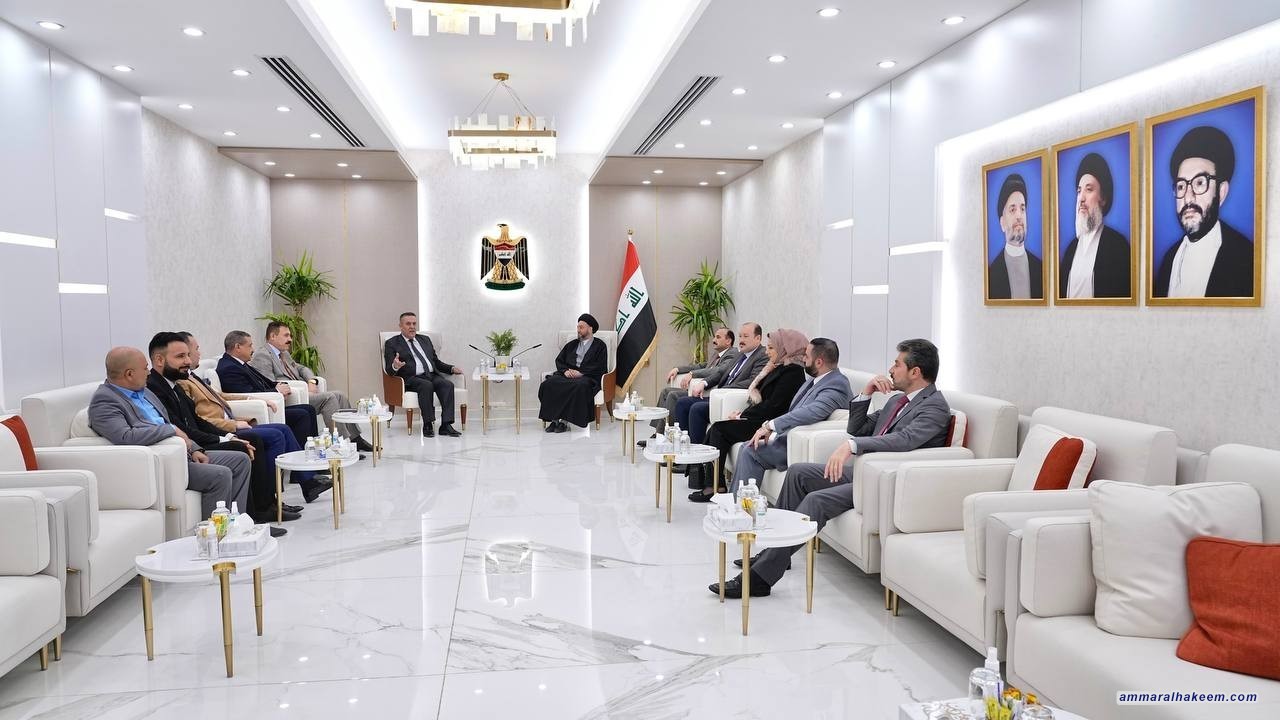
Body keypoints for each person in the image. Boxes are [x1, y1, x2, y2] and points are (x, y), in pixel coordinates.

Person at [712, 338, 951, 599]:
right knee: (798, 472)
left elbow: (905, 440)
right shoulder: (897, 401)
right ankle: (775, 550)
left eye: (897, 364)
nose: (891, 370)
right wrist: (866, 393)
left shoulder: (935, 407)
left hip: (887, 480)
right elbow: (857, 428)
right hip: (863, 472)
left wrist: (852, 446)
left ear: (915, 372)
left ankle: (760, 578)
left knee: (816, 500)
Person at [143, 333, 286, 535]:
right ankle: (249, 519)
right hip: (187, 447)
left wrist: (228, 436)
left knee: (244, 443)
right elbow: (180, 428)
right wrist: (223, 437)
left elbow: (197, 420)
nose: (187, 361)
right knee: (243, 446)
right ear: (159, 360)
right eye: (181, 357)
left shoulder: (173, 384)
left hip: (197, 440)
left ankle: (246, 520)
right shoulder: (155, 389)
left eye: (188, 355)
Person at [88, 347, 249, 520]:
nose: (149, 373)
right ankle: (215, 531)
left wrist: (195, 448)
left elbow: (169, 422)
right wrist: (171, 430)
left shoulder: (145, 392)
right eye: (145, 368)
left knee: (240, 460)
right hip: (162, 462)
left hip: (183, 452)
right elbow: (125, 437)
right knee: (219, 475)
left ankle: (235, 522)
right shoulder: (104, 401)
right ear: (129, 374)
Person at [176, 331, 330, 509]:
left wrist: (253, 399)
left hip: (232, 420)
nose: (199, 353)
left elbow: (220, 396)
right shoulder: (185, 382)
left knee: (284, 428)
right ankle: (271, 500)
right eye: (195, 349)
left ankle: (306, 481)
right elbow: (199, 418)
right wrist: (232, 424)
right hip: (220, 429)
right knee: (276, 434)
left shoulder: (193, 376)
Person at [689, 328, 807, 501]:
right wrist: (742, 413)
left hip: (768, 424)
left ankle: (713, 485)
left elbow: (774, 406)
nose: (766, 352)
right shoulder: (778, 367)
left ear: (785, 349)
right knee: (717, 429)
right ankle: (710, 482)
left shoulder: (792, 373)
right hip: (759, 418)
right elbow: (761, 399)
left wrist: (743, 416)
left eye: (771, 348)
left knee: (719, 430)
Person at [727, 337, 853, 495]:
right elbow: (796, 410)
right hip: (791, 438)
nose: (803, 359)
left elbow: (812, 411)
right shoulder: (817, 379)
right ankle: (737, 502)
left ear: (819, 362)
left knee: (750, 450)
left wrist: (770, 426)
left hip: (801, 445)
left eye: (806, 356)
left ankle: (741, 505)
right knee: (748, 445)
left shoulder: (836, 385)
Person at [1154, 125, 1254, 298]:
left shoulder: (1245, 257)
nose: (1188, 198)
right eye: (1181, 186)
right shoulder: (1169, 259)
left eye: (1200, 183)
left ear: (1221, 192)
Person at [251, 322, 373, 452]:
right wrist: (301, 390)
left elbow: (301, 368)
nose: (290, 339)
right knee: (329, 398)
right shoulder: (263, 355)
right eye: (286, 335)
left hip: (303, 392)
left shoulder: (284, 353)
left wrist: (311, 381)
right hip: (291, 397)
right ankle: (341, 444)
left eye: (290, 336)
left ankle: (356, 439)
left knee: (340, 395)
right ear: (273, 336)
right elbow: (269, 384)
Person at [671, 322, 770, 446]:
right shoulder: (740, 354)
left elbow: (752, 381)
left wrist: (723, 390)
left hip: (731, 399)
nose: (741, 340)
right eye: (740, 336)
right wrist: (704, 383)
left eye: (746, 336)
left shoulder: (762, 355)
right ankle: (681, 447)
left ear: (758, 338)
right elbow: (721, 372)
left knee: (697, 409)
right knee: (682, 403)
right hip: (719, 395)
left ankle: (697, 455)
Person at [216, 330, 319, 446]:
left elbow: (264, 381)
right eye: (250, 346)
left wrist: (280, 386)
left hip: (269, 401)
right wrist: (276, 391)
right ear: (238, 347)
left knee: (309, 409)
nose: (253, 349)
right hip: (258, 410)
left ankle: (314, 447)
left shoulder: (239, 363)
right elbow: (248, 393)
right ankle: (303, 451)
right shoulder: (228, 368)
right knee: (301, 414)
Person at [1059, 152, 1132, 298]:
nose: (1081, 198)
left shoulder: (1118, 246)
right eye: (1079, 191)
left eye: (1089, 189)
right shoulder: (1070, 250)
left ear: (1103, 198)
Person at [382, 312, 464, 437]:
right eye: (408, 324)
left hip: (431, 375)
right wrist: (395, 366)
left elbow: (435, 362)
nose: (412, 327)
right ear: (401, 326)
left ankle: (446, 425)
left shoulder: (425, 339)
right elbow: (389, 369)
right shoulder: (392, 343)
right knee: (426, 385)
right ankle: (428, 424)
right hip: (411, 378)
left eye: (414, 324)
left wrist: (451, 368)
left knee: (447, 385)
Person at [651, 327, 739, 437]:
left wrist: (692, 374)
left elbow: (717, 371)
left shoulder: (732, 354)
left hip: (708, 391)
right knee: (665, 391)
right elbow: (702, 366)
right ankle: (658, 432)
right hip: (699, 389)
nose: (713, 340)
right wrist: (678, 369)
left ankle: (665, 435)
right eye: (714, 337)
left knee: (673, 395)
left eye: (718, 337)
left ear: (728, 341)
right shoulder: (717, 354)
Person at [538, 314, 608, 432]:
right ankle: (554, 420)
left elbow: (600, 366)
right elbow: (559, 360)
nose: (578, 330)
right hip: (567, 375)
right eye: (577, 327)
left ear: (590, 329)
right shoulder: (572, 344)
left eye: (581, 327)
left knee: (579, 386)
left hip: (587, 377)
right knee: (549, 383)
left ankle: (564, 422)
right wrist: (565, 371)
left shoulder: (600, 346)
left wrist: (581, 373)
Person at [987, 173, 1043, 299]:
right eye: (1012, 210)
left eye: (1022, 209)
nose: (1019, 216)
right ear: (1002, 223)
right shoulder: (992, 273)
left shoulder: (1040, 268)